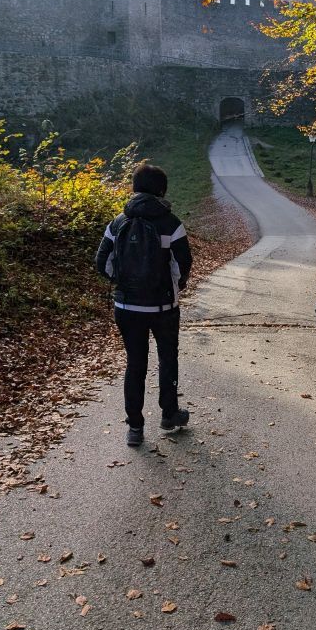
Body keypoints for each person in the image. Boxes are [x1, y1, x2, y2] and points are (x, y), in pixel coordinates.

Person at [95, 162, 192, 447]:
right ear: (161, 190)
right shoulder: (171, 223)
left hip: (127, 308)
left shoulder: (117, 223)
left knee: (135, 364)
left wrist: (124, 284)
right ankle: (169, 415)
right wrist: (175, 287)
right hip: (163, 308)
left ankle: (135, 427)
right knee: (167, 359)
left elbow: (102, 264)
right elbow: (184, 263)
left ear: (134, 189)